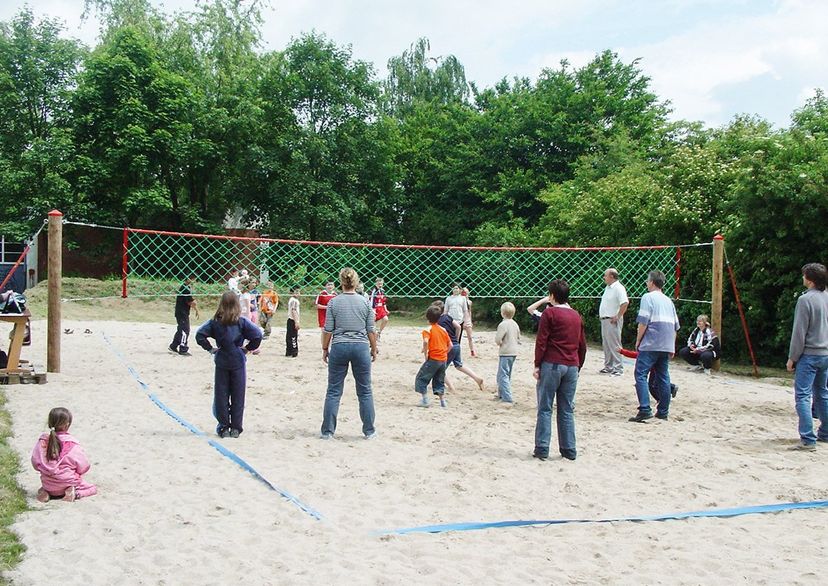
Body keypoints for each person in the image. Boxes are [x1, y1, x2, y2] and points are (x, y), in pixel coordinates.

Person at [320, 268, 378, 439]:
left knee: (333, 391)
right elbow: (371, 330)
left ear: (341, 282)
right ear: (356, 281)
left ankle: (328, 432)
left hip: (339, 346)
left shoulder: (334, 302)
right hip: (360, 347)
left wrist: (325, 348)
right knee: (365, 391)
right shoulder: (365, 302)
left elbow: (328, 329)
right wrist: (373, 349)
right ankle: (369, 431)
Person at [196, 291, 263, 438]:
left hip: (222, 359)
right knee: (238, 395)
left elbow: (199, 335)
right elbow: (257, 335)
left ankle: (224, 427)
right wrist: (247, 349)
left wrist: (210, 348)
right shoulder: (241, 321)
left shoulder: (215, 321)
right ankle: (236, 428)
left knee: (221, 395)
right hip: (238, 359)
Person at [533, 279, 587, 461]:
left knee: (545, 407)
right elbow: (583, 345)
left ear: (552, 296)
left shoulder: (550, 314)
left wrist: (537, 364)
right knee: (566, 409)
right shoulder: (576, 315)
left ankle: (542, 448)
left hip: (553, 363)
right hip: (571, 364)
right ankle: (569, 449)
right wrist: (578, 366)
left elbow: (542, 341)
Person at [786, 262, 828, 451]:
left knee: (803, 396)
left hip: (810, 354)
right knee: (822, 394)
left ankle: (807, 438)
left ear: (809, 280)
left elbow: (799, 332)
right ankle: (825, 433)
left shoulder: (805, 300)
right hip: (825, 354)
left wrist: (792, 357)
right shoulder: (826, 297)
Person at [629, 270, 680, 423]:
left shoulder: (648, 297)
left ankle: (645, 409)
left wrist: (638, 340)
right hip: (666, 342)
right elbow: (675, 326)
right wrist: (672, 346)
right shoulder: (668, 301)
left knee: (640, 374)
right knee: (663, 376)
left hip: (651, 342)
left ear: (651, 282)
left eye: (647, 281)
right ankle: (663, 411)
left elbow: (643, 321)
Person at [31, 407, 97, 503]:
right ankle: (76, 494)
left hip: (48, 483)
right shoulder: (72, 443)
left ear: (50, 423)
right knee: (93, 489)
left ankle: (46, 492)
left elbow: (35, 462)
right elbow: (84, 466)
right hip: (67, 482)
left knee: (47, 484)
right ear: (67, 425)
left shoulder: (43, 442)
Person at [434, 300, 484, 391]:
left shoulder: (437, 322)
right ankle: (477, 378)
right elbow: (458, 327)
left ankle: (451, 387)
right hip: (456, 345)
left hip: (449, 347)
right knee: (459, 365)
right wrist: (456, 339)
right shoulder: (448, 317)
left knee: (439, 369)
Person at [416, 304, 451, 408]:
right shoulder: (443, 330)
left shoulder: (428, 330)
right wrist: (444, 353)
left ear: (427, 317)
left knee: (421, 378)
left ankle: (425, 400)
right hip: (443, 359)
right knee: (439, 380)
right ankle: (442, 401)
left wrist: (426, 354)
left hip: (434, 358)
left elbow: (426, 341)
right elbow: (450, 345)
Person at [598, 268, 629, 376]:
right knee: (606, 344)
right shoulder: (608, 288)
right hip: (605, 319)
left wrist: (618, 316)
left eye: (605, 275)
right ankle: (609, 366)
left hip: (612, 319)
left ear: (611, 276)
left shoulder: (619, 288)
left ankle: (618, 367)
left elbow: (624, 303)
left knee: (614, 344)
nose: (604, 277)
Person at [495, 302, 521, 403]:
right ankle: (501, 394)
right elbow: (519, 337)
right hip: (514, 351)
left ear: (502, 313)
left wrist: (500, 342)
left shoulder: (503, 324)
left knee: (502, 375)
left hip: (505, 352)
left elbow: (498, 339)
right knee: (506, 374)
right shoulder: (515, 324)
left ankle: (507, 397)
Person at [169, 275, 198, 355]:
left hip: (181, 312)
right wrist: (196, 308)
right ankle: (183, 348)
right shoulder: (185, 288)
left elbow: (190, 300)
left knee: (181, 329)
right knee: (185, 330)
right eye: (193, 279)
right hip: (181, 312)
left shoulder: (186, 287)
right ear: (189, 279)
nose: (194, 281)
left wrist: (195, 308)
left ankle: (173, 346)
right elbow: (190, 302)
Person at [460, 287, 477, 357]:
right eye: (464, 292)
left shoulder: (469, 302)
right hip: (460, 319)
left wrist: (470, 320)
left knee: (470, 337)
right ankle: (457, 351)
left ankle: (472, 351)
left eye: (466, 293)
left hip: (467, 319)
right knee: (458, 336)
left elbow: (470, 311)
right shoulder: (459, 301)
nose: (465, 294)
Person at [286, 286, 301, 357]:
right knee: (293, 336)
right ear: (292, 293)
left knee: (289, 336)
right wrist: (296, 322)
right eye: (296, 292)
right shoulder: (294, 300)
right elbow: (294, 311)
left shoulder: (291, 300)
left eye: (299, 291)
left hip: (290, 320)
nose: (298, 293)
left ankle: (288, 351)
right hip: (292, 320)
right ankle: (294, 351)